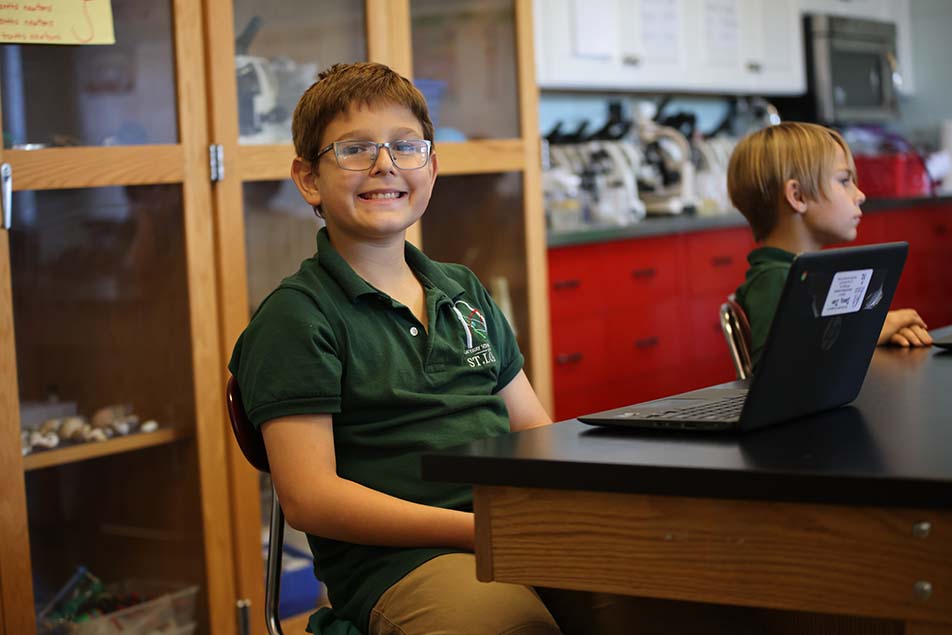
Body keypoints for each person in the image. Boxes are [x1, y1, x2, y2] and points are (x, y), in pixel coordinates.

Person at [727, 121, 933, 367]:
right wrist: (871, 330)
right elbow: (778, 369)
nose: (860, 194)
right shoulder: (774, 279)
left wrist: (875, 335)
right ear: (798, 196)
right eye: (845, 181)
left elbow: (824, 342)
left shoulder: (808, 274)